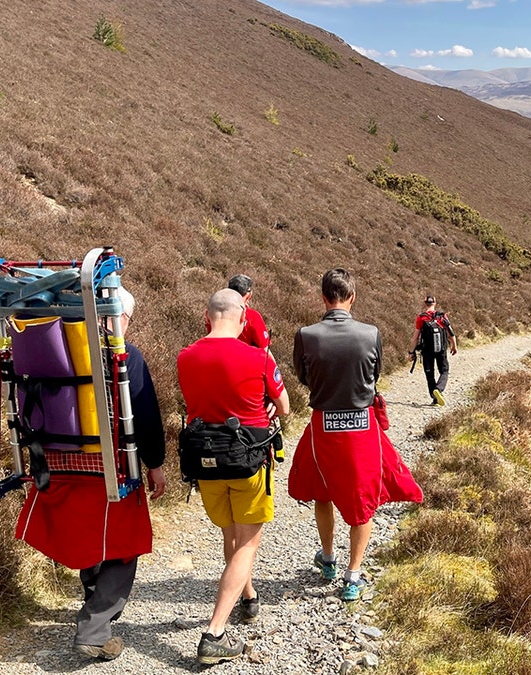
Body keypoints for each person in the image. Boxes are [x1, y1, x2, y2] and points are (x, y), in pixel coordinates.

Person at [14, 287, 166, 661]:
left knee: (86, 531)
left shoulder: (51, 357)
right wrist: (155, 463)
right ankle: (95, 628)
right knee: (125, 543)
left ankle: (94, 594)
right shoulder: (125, 356)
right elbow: (144, 416)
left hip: (53, 464)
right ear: (119, 316)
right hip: (109, 468)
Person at [289, 269, 423, 602]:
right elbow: (374, 374)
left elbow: (303, 376)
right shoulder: (370, 333)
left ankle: (329, 558)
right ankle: (353, 575)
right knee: (363, 500)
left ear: (323, 297)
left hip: (324, 424)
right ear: (353, 297)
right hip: (363, 426)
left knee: (323, 491)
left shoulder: (306, 335)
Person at [177, 288, 290, 665]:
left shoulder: (185, 357)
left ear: (207, 317)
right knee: (248, 543)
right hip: (247, 461)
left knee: (231, 535)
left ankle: (248, 596)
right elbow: (285, 407)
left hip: (205, 463)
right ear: (244, 318)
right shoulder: (257, 357)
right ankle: (214, 633)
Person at [410, 295, 457, 406]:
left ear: (425, 303)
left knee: (429, 374)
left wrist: (411, 352)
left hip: (427, 350)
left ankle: (434, 397)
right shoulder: (441, 316)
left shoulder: (421, 317)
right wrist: (454, 346)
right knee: (444, 371)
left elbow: (415, 337)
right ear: (435, 303)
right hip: (441, 349)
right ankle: (439, 389)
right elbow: (451, 333)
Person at [228, 274, 271, 349]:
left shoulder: (216, 313)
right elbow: (264, 349)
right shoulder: (253, 316)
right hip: (246, 358)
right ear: (248, 294)